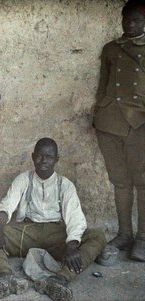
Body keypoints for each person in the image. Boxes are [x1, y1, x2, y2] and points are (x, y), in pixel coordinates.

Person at [0, 138, 106, 301]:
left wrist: (72, 244)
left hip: (57, 235)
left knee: (97, 237)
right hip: (27, 232)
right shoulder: (24, 179)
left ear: (57, 159)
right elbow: (5, 207)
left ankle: (59, 280)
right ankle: (5, 278)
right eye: (39, 156)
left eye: (49, 157)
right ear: (32, 157)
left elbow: (75, 218)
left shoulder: (65, 185)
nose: (43, 160)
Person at [93, 0, 145, 261]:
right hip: (110, 123)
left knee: (143, 183)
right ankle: (125, 234)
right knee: (120, 181)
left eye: (136, 20)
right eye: (127, 19)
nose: (130, 24)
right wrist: (100, 109)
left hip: (139, 123)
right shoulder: (111, 49)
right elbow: (102, 85)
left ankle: (143, 239)